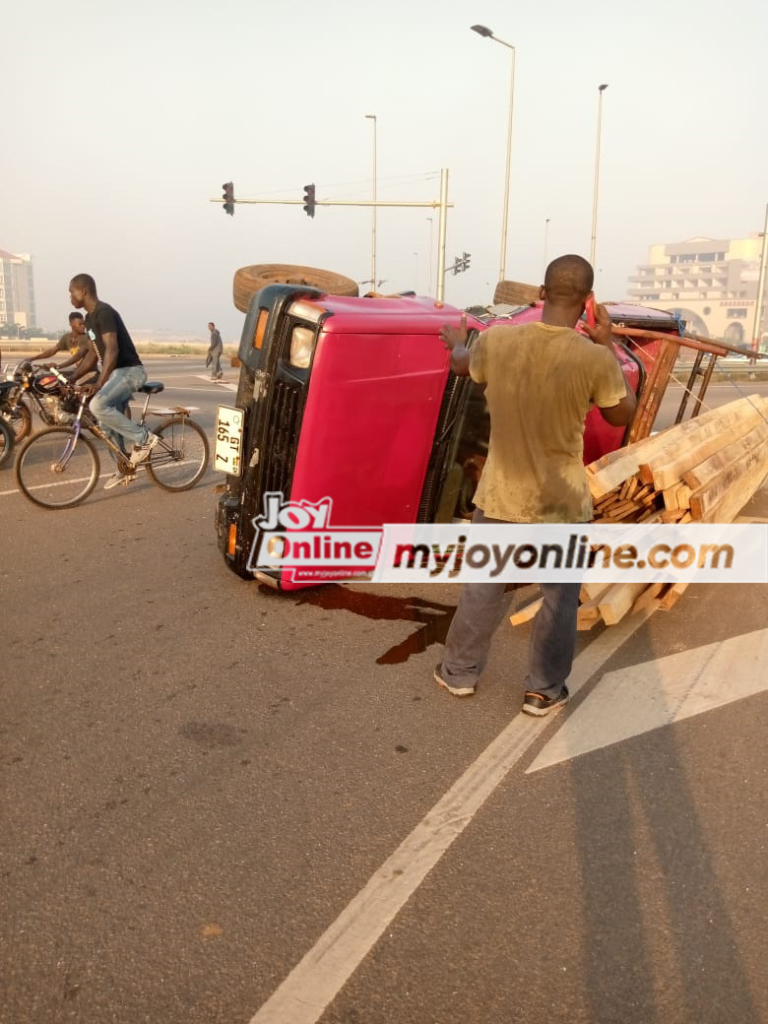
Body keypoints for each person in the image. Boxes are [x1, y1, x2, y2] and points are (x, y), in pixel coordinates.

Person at [435, 254, 637, 716]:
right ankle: (543, 690)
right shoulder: (592, 358)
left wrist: (453, 342)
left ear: (541, 294)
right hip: (561, 502)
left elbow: (462, 364)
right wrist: (606, 344)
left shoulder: (499, 341)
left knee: (483, 587)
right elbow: (622, 414)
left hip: (501, 494)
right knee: (559, 599)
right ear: (588, 303)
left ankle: (460, 674)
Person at [69, 273, 159, 490]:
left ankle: (144, 438)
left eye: (72, 292)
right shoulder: (90, 319)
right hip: (116, 375)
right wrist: (71, 378)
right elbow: (93, 355)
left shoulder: (104, 312)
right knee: (104, 424)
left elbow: (112, 348)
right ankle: (124, 466)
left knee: (97, 405)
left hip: (130, 371)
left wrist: (99, 383)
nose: (70, 298)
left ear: (84, 291)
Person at [29, 312, 96, 382]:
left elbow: (78, 355)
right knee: (46, 379)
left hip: (89, 373)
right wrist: (32, 359)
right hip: (77, 371)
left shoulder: (86, 338)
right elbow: (52, 351)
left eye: (83, 324)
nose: (83, 326)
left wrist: (59, 366)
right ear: (71, 324)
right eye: (80, 324)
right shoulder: (66, 338)